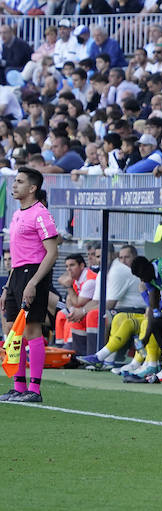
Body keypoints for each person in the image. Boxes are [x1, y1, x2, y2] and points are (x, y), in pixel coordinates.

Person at [0, 168, 59, 403]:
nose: (14, 185)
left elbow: (52, 252)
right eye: (14, 181)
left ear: (32, 188)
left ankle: (34, 390)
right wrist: (7, 287)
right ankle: (18, 386)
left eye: (20, 182)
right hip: (16, 276)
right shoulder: (17, 214)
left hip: (33, 274)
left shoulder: (41, 214)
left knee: (32, 330)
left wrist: (33, 282)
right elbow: (17, 255)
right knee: (14, 331)